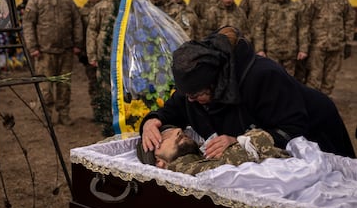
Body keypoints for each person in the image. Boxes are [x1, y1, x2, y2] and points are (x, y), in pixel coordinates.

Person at [139, 26, 356, 159]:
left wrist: (240, 141)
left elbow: (293, 129)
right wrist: (152, 120)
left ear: (218, 83)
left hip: (315, 131)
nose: (191, 101)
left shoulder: (264, 77)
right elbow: (172, 110)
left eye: (196, 95)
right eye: (187, 95)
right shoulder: (194, 89)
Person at [23, 0, 83, 126]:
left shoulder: (67, 0)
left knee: (64, 86)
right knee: (45, 87)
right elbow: (28, 24)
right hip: (44, 53)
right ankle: (46, 116)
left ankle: (64, 114)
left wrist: (78, 43)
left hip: (66, 52)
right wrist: (32, 47)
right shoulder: (35, 1)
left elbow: (77, 22)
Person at [136, 125, 290, 175]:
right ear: (158, 162)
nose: (178, 131)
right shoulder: (183, 169)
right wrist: (245, 140)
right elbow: (236, 161)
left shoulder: (194, 160)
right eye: (164, 138)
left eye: (178, 130)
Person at [302, 0, 355, 96]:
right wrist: (305, 45)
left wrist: (348, 42)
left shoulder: (342, 0)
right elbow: (305, 22)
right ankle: (313, 103)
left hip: (336, 47)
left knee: (329, 79)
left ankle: (325, 104)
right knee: (314, 78)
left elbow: (349, 20)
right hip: (317, 47)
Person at [86, 0, 121, 136]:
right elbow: (92, 32)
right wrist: (92, 55)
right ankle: (107, 124)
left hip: (124, 59)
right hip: (105, 58)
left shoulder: (127, 7)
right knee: (105, 91)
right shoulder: (101, 7)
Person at [252, 0, 307, 76]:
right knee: (272, 79)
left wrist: (303, 49)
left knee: (289, 81)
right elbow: (259, 29)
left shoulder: (295, 7)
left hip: (290, 53)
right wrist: (260, 49)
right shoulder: (266, 7)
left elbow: (302, 28)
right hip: (272, 52)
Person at [79, 0, 102, 110]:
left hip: (103, 51)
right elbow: (79, 31)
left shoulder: (105, 8)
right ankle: (96, 109)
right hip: (88, 53)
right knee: (93, 82)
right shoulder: (82, 11)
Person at [294, 0, 319, 83]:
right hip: (299, 43)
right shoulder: (298, 4)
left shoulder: (320, 4)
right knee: (299, 72)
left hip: (316, 43)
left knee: (313, 72)